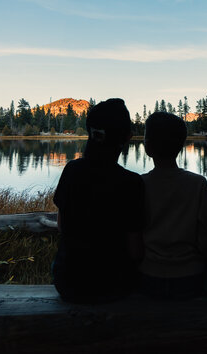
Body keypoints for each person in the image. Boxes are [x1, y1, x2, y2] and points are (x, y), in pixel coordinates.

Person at [52, 98, 144, 303]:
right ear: (128, 137)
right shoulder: (131, 183)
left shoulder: (72, 171)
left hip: (69, 282)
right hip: (115, 285)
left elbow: (61, 226)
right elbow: (135, 250)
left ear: (90, 133)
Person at [139, 112, 207, 300]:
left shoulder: (139, 184)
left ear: (147, 147)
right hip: (191, 277)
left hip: (148, 276)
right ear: (181, 144)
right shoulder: (198, 184)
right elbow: (204, 238)